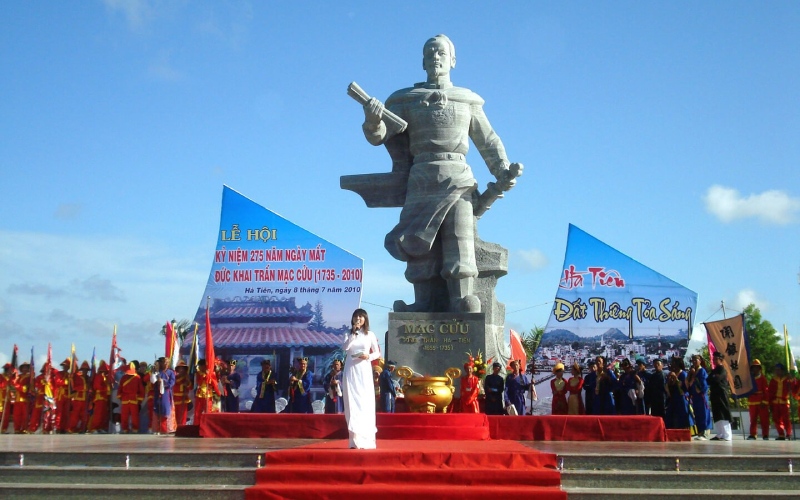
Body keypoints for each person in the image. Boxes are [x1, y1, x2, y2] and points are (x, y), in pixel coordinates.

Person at [359, 34, 522, 314]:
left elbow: (489, 140)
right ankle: (422, 302)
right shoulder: (405, 100)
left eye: (441, 53)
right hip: (421, 178)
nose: (436, 57)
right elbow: (380, 136)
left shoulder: (466, 100)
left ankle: (461, 299)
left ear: (453, 60)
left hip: (457, 177)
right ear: (422, 61)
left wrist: (503, 169)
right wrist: (372, 120)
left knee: (459, 237)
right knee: (419, 241)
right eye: (430, 53)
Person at [342, 308, 381, 449]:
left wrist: (368, 357)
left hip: (363, 369)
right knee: (352, 402)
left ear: (365, 319)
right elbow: (345, 348)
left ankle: (367, 440)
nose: (358, 319)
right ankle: (354, 440)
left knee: (364, 402)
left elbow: (377, 353)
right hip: (351, 369)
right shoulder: (348, 333)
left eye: (361, 316)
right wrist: (353, 333)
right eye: (356, 316)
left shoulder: (370, 334)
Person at [665, 357, 694, 432]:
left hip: (682, 398)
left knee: (682, 415)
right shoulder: (672, 373)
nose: (672, 365)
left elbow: (683, 387)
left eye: (674, 363)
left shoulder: (683, 374)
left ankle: (684, 431)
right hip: (673, 397)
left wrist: (676, 378)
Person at [708, 352, 732, 441]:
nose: (714, 361)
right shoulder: (714, 370)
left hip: (721, 394)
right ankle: (720, 433)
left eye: (716, 359)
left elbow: (717, 379)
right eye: (713, 359)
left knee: (723, 413)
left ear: (720, 360)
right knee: (717, 413)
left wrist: (714, 377)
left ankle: (727, 434)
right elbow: (709, 379)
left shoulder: (722, 369)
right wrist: (713, 376)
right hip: (715, 394)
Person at [687, 354, 712, 440]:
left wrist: (701, 391)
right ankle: (700, 431)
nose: (694, 362)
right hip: (695, 396)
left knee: (703, 413)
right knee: (697, 413)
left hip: (701, 396)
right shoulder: (693, 371)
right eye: (693, 360)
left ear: (700, 361)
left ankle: (705, 431)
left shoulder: (702, 371)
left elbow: (704, 384)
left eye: (696, 360)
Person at [747, 359, 770, 440]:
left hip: (761, 402)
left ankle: (765, 435)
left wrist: (764, 401)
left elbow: (766, 391)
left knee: (764, 419)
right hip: (752, 401)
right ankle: (753, 434)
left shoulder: (763, 379)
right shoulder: (749, 379)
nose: (755, 369)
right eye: (753, 368)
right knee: (753, 419)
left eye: (757, 367)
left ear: (760, 368)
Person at [152, 357, 176, 434]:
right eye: (164, 363)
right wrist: (155, 378)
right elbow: (152, 382)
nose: (165, 364)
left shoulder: (171, 372)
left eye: (167, 363)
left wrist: (162, 381)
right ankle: (157, 429)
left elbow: (171, 383)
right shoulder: (157, 372)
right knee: (157, 409)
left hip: (166, 393)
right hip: (157, 393)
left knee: (165, 410)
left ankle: (164, 429)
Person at [28, 364, 55, 434]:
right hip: (40, 398)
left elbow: (54, 388)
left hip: (48, 398)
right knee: (36, 414)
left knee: (48, 414)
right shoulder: (38, 378)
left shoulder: (52, 379)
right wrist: (43, 383)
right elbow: (36, 387)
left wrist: (48, 384)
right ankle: (33, 429)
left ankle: (46, 429)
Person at [87, 361, 112, 434]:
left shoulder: (105, 377)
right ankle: (94, 428)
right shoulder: (98, 376)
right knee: (98, 414)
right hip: (99, 397)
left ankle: (101, 427)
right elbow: (97, 387)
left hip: (104, 398)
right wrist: (106, 388)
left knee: (103, 414)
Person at [118, 363, 143, 434]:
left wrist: (140, 400)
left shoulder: (137, 378)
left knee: (135, 415)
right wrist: (120, 397)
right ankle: (125, 429)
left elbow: (141, 390)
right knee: (124, 416)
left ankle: (135, 429)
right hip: (125, 399)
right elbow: (120, 388)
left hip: (134, 399)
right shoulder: (123, 378)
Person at [769, 363, 792, 440]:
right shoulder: (773, 380)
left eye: (778, 370)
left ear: (782, 371)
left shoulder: (787, 379)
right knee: (776, 419)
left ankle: (788, 433)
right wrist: (770, 402)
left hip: (784, 401)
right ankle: (781, 434)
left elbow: (792, 387)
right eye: (776, 370)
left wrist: (791, 379)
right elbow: (770, 392)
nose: (777, 372)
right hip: (775, 402)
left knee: (786, 419)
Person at [194, 359, 219, 427]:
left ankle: (208, 426)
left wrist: (209, 376)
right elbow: (199, 382)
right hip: (199, 394)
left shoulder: (212, 373)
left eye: (202, 366)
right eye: (200, 366)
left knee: (208, 411)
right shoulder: (198, 373)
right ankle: (197, 426)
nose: (200, 367)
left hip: (208, 394)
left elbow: (215, 383)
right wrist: (205, 375)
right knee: (197, 412)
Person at [68, 361, 90, 433]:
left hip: (86, 399)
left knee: (85, 416)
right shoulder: (77, 377)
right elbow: (74, 387)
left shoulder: (89, 378)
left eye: (86, 370)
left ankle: (82, 429)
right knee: (75, 415)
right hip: (78, 398)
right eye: (83, 369)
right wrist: (84, 388)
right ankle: (71, 429)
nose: (85, 371)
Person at [11, 362, 31, 433]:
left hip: (25, 399)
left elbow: (28, 388)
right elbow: (13, 385)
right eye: (23, 367)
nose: (24, 369)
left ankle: (24, 429)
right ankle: (17, 429)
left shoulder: (30, 377)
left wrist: (19, 387)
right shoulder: (17, 377)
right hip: (17, 399)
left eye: (26, 367)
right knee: (16, 415)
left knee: (25, 415)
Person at [173, 360, 193, 426]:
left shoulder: (186, 378)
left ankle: (182, 427)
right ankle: (175, 427)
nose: (181, 370)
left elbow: (190, 388)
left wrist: (187, 383)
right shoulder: (174, 378)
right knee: (175, 414)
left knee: (183, 414)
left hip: (183, 399)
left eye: (183, 368)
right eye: (180, 368)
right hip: (175, 398)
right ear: (178, 369)